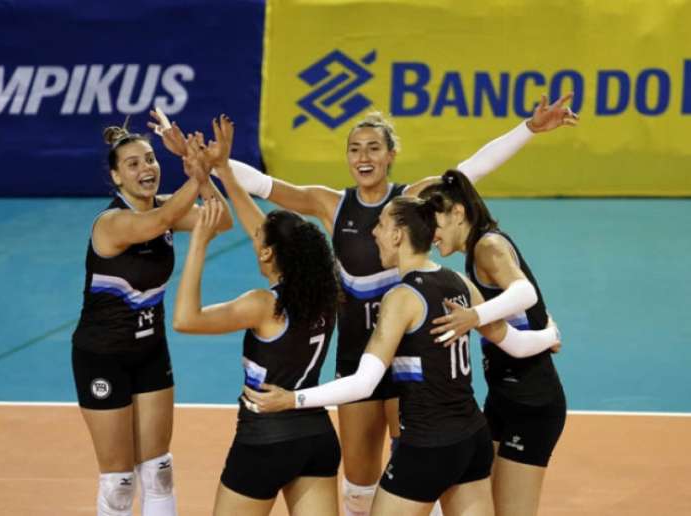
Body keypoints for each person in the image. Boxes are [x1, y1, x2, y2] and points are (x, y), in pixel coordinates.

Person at [185, 94, 577, 515]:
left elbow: (469, 171)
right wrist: (216, 165)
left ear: (390, 155)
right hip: (360, 359)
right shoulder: (331, 204)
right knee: (359, 481)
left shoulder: (409, 204)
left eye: (374, 147)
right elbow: (265, 188)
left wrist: (527, 130)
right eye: (354, 148)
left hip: (408, 362)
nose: (363, 156)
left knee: (418, 463)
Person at [242, 195, 560, 516]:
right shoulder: (460, 283)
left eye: (380, 224)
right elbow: (515, 343)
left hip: (427, 444)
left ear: (398, 235)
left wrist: (292, 400)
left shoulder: (401, 298)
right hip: (472, 440)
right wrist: (550, 335)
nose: (374, 233)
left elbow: (364, 384)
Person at [172, 116, 342, 516]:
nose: (254, 239)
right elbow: (259, 229)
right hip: (315, 437)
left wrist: (198, 242)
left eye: (260, 242)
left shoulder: (263, 305)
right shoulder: (326, 290)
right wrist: (217, 172)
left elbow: (185, 319)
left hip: (264, 439)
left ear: (268, 253)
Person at [71, 115, 232, 516]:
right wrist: (197, 171)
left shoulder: (167, 209)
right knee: (119, 482)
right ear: (117, 178)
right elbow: (156, 223)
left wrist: (200, 171)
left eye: (150, 159)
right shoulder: (112, 223)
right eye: (134, 164)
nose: (147, 169)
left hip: (150, 352)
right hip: (102, 357)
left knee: (159, 469)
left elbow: (221, 221)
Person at [423, 170, 566, 516]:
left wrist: (475, 316)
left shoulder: (488, 246)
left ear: (458, 213)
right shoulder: (476, 254)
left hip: (532, 403)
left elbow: (524, 291)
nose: (430, 236)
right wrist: (547, 334)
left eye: (434, 224)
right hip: (503, 397)